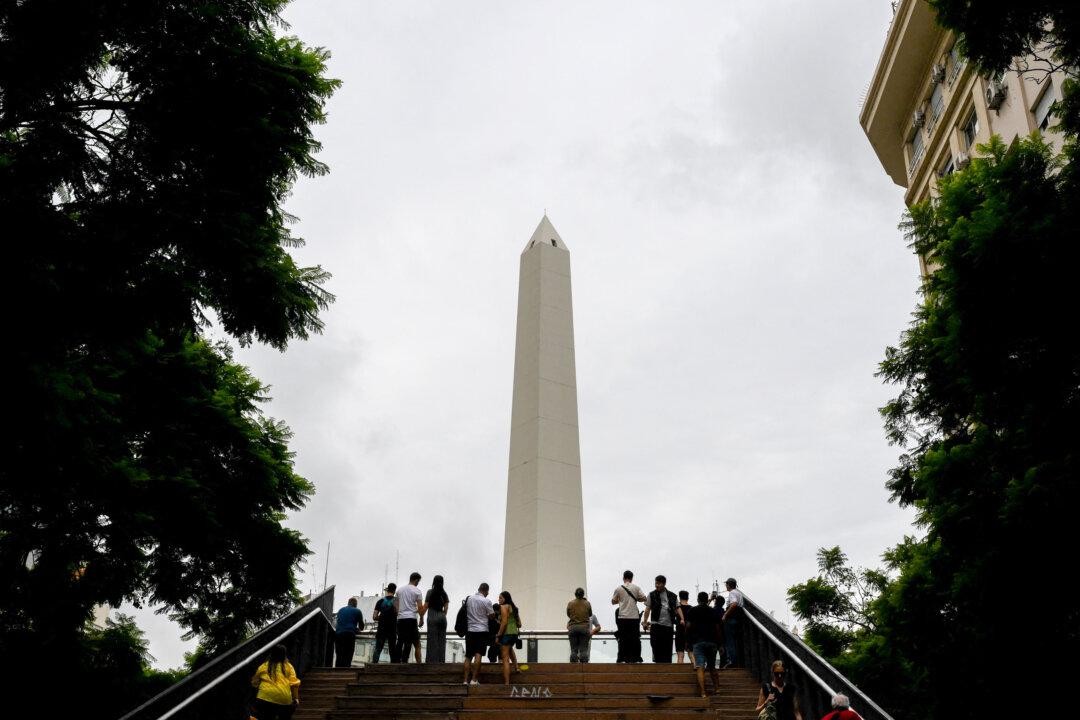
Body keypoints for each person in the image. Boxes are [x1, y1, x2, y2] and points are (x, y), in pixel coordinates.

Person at [684, 591, 721, 698]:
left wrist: (687, 641)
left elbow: (688, 627)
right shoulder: (713, 611)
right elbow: (718, 628)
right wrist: (720, 643)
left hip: (698, 642)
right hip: (712, 641)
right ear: (707, 599)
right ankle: (717, 689)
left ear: (698, 600)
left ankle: (703, 693)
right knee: (712, 667)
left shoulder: (692, 611)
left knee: (700, 667)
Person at [250, 644, 300, 719]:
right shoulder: (289, 666)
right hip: (284, 699)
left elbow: (254, 682)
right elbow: (294, 684)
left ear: (271, 654)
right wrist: (296, 698)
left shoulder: (264, 666)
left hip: (265, 697)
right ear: (284, 655)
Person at [462, 583, 495, 685]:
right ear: (486, 591)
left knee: (468, 656)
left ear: (479, 589)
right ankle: (474, 680)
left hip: (470, 631)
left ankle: (464, 681)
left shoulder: (469, 599)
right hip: (482, 631)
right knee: (478, 655)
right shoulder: (486, 601)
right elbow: (492, 616)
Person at [611, 570, 646, 663]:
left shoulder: (618, 589)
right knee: (634, 638)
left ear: (623, 578)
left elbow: (613, 601)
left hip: (622, 617)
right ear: (631, 578)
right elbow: (644, 598)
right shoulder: (636, 588)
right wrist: (636, 598)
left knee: (623, 638)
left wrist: (622, 600)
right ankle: (635, 657)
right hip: (634, 617)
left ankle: (622, 657)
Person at [642, 575, 678, 663]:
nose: (657, 585)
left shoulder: (672, 595)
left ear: (664, 584)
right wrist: (645, 622)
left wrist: (680, 619)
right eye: (656, 583)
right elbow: (647, 609)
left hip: (668, 626)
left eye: (659, 583)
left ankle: (667, 669)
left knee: (667, 648)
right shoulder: (651, 594)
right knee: (655, 645)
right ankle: (658, 666)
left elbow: (677, 608)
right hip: (656, 625)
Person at [394, 572, 427, 663]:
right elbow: (420, 607)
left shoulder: (399, 590)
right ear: (416, 580)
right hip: (411, 618)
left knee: (400, 640)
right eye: (418, 581)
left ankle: (396, 661)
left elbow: (396, 606)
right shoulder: (417, 591)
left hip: (401, 619)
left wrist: (399, 614)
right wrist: (421, 618)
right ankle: (404, 661)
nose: (418, 583)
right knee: (408, 641)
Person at [495, 590, 522, 685]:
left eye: (500, 598)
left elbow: (504, 623)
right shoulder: (514, 608)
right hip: (514, 634)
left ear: (505, 598)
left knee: (505, 659)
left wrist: (498, 636)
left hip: (506, 633)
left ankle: (506, 683)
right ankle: (517, 667)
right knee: (509, 649)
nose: (499, 599)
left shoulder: (503, 607)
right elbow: (519, 624)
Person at [333, 597, 365, 668]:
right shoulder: (357, 611)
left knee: (339, 656)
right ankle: (345, 674)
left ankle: (336, 673)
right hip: (349, 635)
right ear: (355, 604)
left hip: (338, 635)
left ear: (348, 603)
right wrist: (355, 628)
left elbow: (340, 623)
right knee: (348, 656)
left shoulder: (340, 610)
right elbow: (362, 627)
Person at [425, 574, 450, 663]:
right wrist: (443, 614)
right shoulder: (444, 593)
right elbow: (446, 607)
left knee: (432, 641)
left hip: (432, 616)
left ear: (434, 582)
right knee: (441, 641)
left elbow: (426, 606)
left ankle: (431, 662)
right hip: (442, 617)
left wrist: (421, 617)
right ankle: (441, 661)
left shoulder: (430, 592)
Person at [721, 577, 744, 668]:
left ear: (729, 585)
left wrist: (725, 615)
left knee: (730, 641)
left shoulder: (732, 593)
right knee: (736, 641)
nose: (726, 586)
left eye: (726, 584)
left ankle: (732, 661)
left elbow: (734, 604)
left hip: (731, 619)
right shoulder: (739, 593)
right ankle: (738, 662)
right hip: (738, 619)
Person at [371, 583, 397, 663]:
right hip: (392, 629)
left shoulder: (380, 601)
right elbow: (399, 614)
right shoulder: (397, 601)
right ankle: (393, 669)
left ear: (387, 590)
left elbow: (374, 617)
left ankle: (373, 668)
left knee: (378, 649)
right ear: (394, 591)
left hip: (381, 628)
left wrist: (382, 618)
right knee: (393, 650)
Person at [566, 587, 593, 663]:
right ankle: (584, 667)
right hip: (584, 628)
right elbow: (590, 614)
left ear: (575, 594)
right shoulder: (587, 603)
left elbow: (568, 614)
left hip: (573, 628)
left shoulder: (570, 603)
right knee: (584, 650)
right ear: (583, 595)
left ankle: (573, 665)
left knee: (573, 650)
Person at [675, 590, 692, 665]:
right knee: (691, 654)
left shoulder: (677, 608)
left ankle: (679, 674)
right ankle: (696, 673)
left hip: (679, 632)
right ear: (688, 598)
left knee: (680, 656)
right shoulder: (691, 608)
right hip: (689, 633)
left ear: (679, 597)